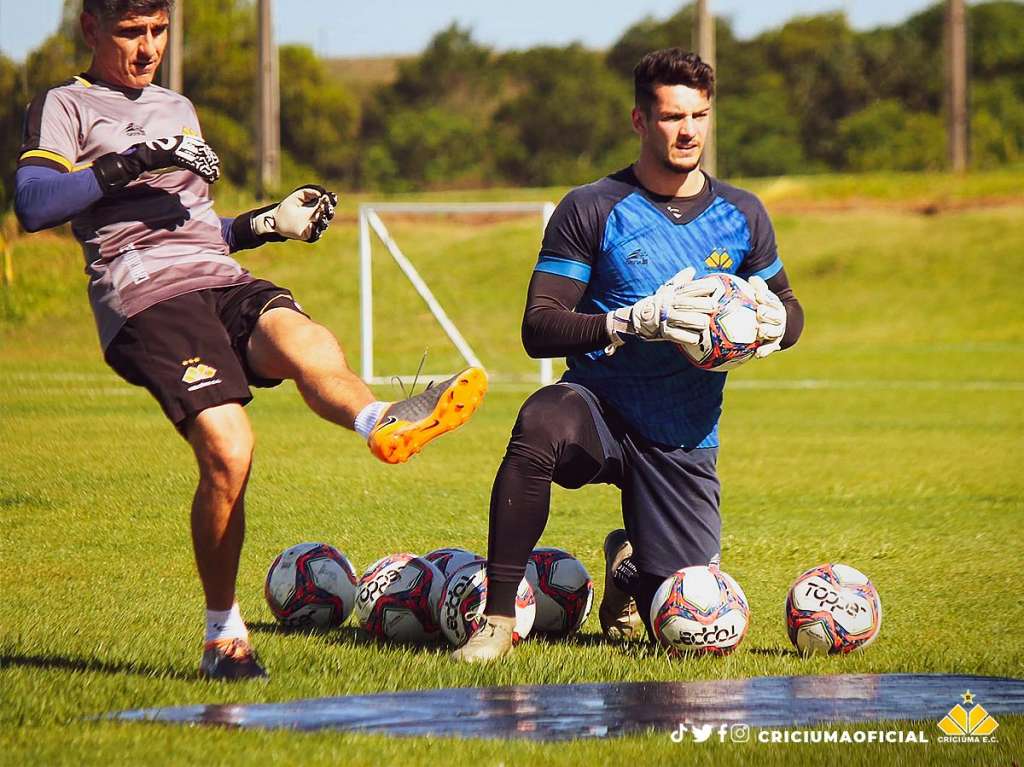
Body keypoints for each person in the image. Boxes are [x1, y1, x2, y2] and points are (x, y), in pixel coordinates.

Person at [14, 0, 487, 681]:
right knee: (232, 449)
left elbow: (195, 227)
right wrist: (130, 161)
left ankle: (382, 420)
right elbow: (33, 203)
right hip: (147, 295)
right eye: (130, 32)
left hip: (218, 275)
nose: (148, 48)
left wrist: (265, 223)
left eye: (158, 30)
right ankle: (222, 633)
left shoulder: (178, 106)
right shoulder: (66, 104)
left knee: (303, 337)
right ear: (91, 28)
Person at [453, 48, 803, 663]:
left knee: (688, 637)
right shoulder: (591, 206)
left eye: (699, 115)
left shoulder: (742, 214)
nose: (688, 130)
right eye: (672, 116)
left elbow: (791, 310)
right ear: (640, 121)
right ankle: (500, 619)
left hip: (684, 434)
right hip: (600, 411)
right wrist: (630, 321)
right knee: (541, 419)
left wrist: (771, 323)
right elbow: (539, 327)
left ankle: (629, 565)